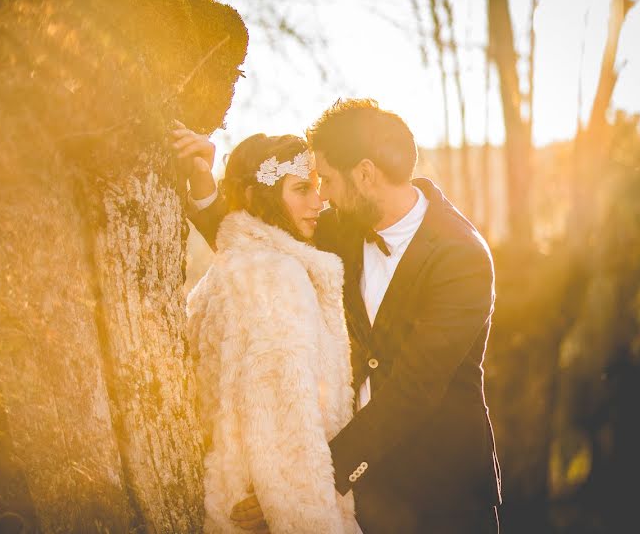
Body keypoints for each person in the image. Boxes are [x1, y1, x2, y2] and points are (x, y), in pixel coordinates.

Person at [173, 98, 501, 533]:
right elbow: (257, 245)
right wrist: (202, 180)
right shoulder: (344, 226)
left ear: (365, 175)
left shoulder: (462, 257)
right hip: (363, 500)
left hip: (440, 494)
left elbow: (416, 385)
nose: (321, 195)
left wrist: (307, 481)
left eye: (325, 179)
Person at [185, 133, 361, 534]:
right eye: (302, 189)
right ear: (255, 196)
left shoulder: (238, 265)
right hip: (273, 510)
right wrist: (302, 510)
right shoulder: (276, 275)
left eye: (317, 188)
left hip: (234, 494)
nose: (319, 202)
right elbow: (286, 419)